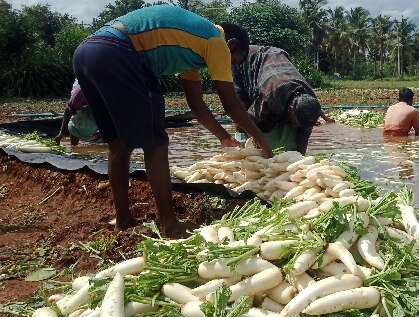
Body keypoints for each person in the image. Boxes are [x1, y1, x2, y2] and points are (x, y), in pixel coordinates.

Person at [72, 4, 271, 238]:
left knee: (118, 145)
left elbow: (196, 106)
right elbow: (231, 103)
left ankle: (124, 220)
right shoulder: (216, 41)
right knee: (156, 145)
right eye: (235, 61)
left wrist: (225, 138)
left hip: (87, 52)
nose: (231, 66)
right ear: (233, 44)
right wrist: (261, 139)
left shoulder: (193, 46)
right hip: (118, 52)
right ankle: (170, 225)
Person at [232, 45, 333, 155]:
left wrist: (300, 159)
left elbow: (304, 134)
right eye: (295, 122)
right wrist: (259, 142)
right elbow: (250, 119)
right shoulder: (271, 96)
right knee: (241, 112)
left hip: (277, 56)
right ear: (290, 109)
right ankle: (241, 148)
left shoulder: (309, 100)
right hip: (246, 61)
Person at [54, 80, 101, 145]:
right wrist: (61, 133)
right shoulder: (81, 93)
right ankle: (74, 146)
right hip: (83, 90)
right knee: (78, 120)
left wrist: (103, 131)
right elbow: (69, 110)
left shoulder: (110, 94)